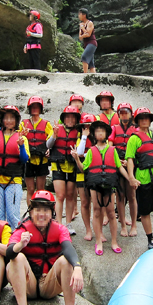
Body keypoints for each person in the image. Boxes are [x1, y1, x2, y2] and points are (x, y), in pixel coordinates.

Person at [3, 190, 84, 305]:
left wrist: (77, 267)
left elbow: (67, 247)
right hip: (29, 285)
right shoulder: (23, 229)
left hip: (49, 285)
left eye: (45, 210)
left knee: (66, 261)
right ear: (31, 211)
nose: (41, 214)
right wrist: (20, 244)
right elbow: (9, 253)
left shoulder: (60, 229)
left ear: (51, 212)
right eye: (37, 210)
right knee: (17, 258)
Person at [75, 120, 135, 254]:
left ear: (106, 133)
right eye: (97, 131)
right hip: (95, 185)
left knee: (111, 213)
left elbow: (119, 167)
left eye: (102, 131)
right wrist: (77, 159)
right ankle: (98, 242)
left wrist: (130, 179)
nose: (100, 133)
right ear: (94, 134)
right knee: (96, 212)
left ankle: (114, 241)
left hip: (109, 184)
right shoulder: (91, 151)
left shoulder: (112, 150)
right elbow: (84, 168)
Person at [0, 105, 29, 231]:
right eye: (6, 118)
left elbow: (24, 159)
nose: (8, 121)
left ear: (16, 120)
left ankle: (14, 240)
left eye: (11, 118)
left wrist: (21, 146)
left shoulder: (22, 138)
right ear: (2, 120)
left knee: (13, 214)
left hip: (13, 180)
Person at [126, 107, 153, 249]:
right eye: (141, 118)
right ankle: (150, 238)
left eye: (147, 118)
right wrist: (131, 178)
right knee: (145, 211)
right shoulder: (134, 139)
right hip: (143, 178)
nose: (145, 120)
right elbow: (130, 159)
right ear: (138, 121)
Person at [46, 106, 81, 235]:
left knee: (71, 196)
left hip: (72, 166)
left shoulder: (78, 131)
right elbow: (48, 145)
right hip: (58, 166)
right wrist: (54, 135)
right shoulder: (57, 129)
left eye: (73, 117)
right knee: (60, 196)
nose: (70, 119)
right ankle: (59, 223)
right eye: (68, 117)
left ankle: (68, 223)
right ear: (64, 118)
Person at [109, 103, 138, 237]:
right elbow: (110, 146)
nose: (124, 115)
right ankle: (122, 225)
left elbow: (139, 149)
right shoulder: (114, 128)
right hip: (118, 165)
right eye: (121, 113)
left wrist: (130, 161)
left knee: (131, 196)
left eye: (126, 112)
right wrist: (117, 160)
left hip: (131, 164)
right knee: (120, 196)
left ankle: (133, 225)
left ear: (131, 114)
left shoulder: (136, 130)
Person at [22, 96, 52, 206]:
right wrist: (22, 134)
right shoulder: (23, 124)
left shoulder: (46, 124)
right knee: (30, 189)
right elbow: (17, 138)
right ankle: (31, 212)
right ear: (29, 109)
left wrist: (50, 149)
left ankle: (40, 209)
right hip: (28, 161)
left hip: (42, 160)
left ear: (40, 109)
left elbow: (52, 139)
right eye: (32, 107)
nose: (35, 109)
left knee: (40, 189)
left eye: (37, 107)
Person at [74, 113, 96, 241]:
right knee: (84, 202)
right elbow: (80, 152)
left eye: (89, 126)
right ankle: (88, 230)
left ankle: (97, 229)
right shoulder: (80, 138)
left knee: (96, 203)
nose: (87, 128)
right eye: (85, 126)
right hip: (81, 173)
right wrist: (84, 136)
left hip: (94, 173)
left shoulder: (98, 139)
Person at [78, 8, 97, 73]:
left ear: (84, 15)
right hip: (86, 44)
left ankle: (85, 74)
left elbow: (88, 34)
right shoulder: (81, 24)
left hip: (92, 43)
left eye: (80, 14)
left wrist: (83, 28)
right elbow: (80, 37)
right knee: (91, 64)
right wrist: (84, 33)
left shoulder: (89, 23)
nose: (78, 16)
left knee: (84, 57)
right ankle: (94, 77)